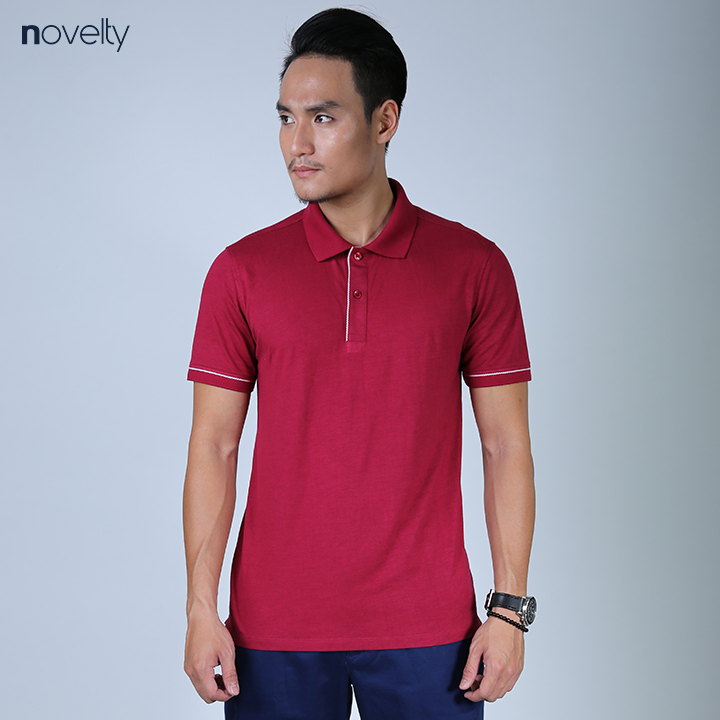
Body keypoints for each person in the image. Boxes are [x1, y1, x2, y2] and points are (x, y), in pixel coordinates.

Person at [183, 8, 535, 719]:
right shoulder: (241, 271)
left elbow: (505, 444)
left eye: (323, 117)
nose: (297, 144)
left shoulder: (474, 266)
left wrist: (509, 611)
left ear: (385, 121)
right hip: (272, 630)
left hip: (431, 630)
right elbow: (214, 446)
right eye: (286, 119)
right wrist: (200, 608)